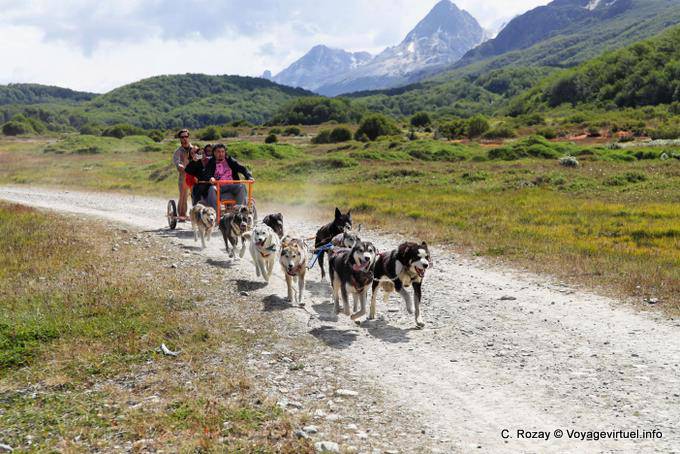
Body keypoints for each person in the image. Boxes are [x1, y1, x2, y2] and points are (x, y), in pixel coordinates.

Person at [185, 143, 253, 211]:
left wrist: (249, 177)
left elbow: (242, 168)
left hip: (232, 185)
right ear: (214, 153)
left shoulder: (229, 160)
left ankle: (239, 211)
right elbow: (207, 172)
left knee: (242, 186)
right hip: (219, 187)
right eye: (218, 152)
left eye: (222, 151)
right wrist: (211, 178)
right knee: (212, 188)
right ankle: (215, 212)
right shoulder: (211, 161)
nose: (221, 154)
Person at [172, 129, 198, 220]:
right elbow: (177, 162)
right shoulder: (178, 151)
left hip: (195, 176)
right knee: (183, 195)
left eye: (186, 136)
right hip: (183, 176)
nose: (184, 139)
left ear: (188, 137)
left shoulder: (194, 149)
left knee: (197, 195)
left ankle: (198, 214)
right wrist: (180, 165)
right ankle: (182, 215)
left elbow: (201, 158)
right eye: (182, 137)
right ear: (180, 139)